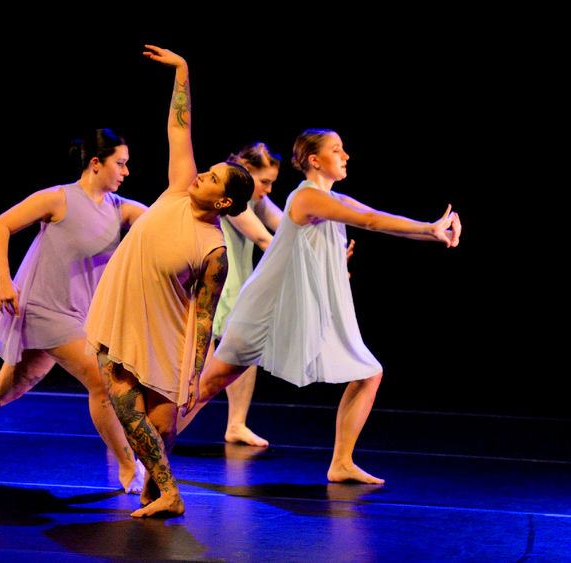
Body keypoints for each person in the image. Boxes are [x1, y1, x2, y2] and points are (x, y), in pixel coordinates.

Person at [178, 128, 461, 485]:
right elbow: (370, 221)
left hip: (292, 311)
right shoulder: (307, 198)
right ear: (315, 160)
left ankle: (341, 462)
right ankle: (147, 445)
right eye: (336, 150)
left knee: (369, 374)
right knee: (210, 383)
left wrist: (429, 231)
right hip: (264, 310)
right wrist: (429, 227)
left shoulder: (329, 199)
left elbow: (370, 213)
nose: (345, 156)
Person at [0, 128, 148, 494]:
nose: (126, 171)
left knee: (4, 389)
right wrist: (3, 281)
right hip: (43, 310)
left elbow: (159, 220)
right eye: (120, 163)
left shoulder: (121, 210)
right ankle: (128, 468)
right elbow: (1, 226)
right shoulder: (58, 199)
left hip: (76, 315)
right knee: (104, 383)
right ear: (95, 164)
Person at [84, 46, 254, 518]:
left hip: (164, 330)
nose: (203, 173)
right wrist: (182, 71)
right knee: (124, 402)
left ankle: (157, 488)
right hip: (120, 310)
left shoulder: (214, 249)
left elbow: (203, 312)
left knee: (159, 424)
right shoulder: (181, 188)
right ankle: (168, 492)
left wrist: (195, 370)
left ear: (223, 202)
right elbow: (179, 128)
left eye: (213, 178)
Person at [211, 142, 283, 447]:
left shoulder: (255, 197)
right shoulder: (232, 197)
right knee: (195, 358)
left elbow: (288, 227)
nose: (267, 190)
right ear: (247, 172)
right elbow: (265, 238)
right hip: (219, 283)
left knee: (246, 352)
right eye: (264, 182)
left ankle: (237, 424)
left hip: (239, 283)